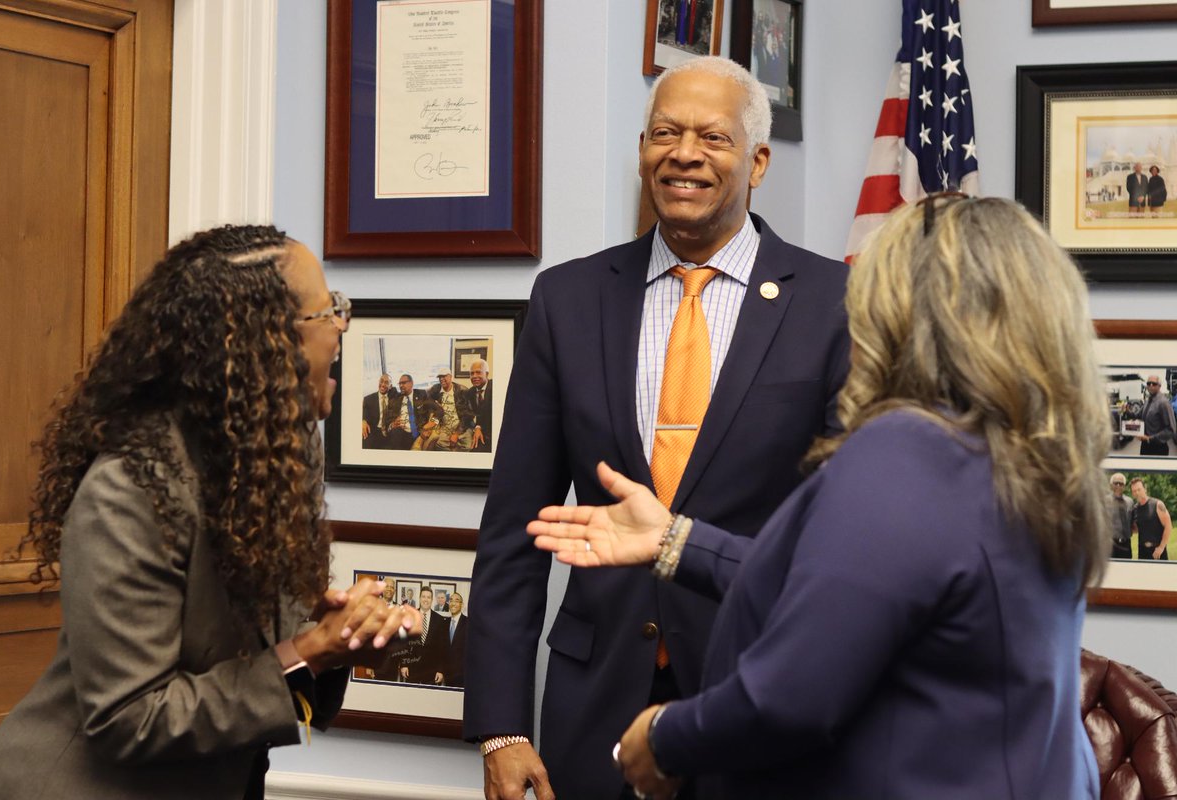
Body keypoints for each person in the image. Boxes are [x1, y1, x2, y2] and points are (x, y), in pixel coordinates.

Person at [529, 197, 1107, 799]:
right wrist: (678, 541)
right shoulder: (1026, 455)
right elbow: (857, 593)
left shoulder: (906, 450)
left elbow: (791, 696)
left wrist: (664, 737)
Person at [464, 55, 850, 800]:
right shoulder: (568, 299)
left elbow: (843, 538)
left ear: (759, 161)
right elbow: (515, 529)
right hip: (592, 709)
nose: (684, 154)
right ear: (642, 151)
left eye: (713, 137)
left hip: (756, 697)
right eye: (664, 133)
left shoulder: (835, 302)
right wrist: (503, 728)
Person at [0, 225, 421, 800]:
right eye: (328, 312)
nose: (341, 328)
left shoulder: (278, 453)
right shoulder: (130, 487)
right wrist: (308, 650)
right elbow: (127, 718)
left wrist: (340, 634)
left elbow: (251, 641)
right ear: (264, 340)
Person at [384, 374, 442, 450]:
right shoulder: (396, 399)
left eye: (403, 383)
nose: (401, 386)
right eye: (400, 384)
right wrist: (392, 425)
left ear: (411, 383)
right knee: (395, 433)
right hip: (401, 432)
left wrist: (432, 423)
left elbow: (439, 410)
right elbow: (388, 420)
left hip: (418, 432)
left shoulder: (422, 395)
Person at [1131, 478, 1171, 561]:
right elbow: (1137, 529)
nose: (1137, 493)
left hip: (1158, 552)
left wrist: (1161, 547)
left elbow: (1168, 526)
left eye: (1139, 489)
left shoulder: (1157, 504)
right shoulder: (1135, 509)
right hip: (1142, 553)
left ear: (1145, 489)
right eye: (1134, 491)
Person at [1135, 373, 1176, 456]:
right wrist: (1127, 411)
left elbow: (1171, 429)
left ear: (1159, 386)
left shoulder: (1163, 403)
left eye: (1154, 384)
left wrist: (1150, 439)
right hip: (1145, 446)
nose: (1150, 385)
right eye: (1148, 383)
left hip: (1158, 449)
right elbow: (1138, 415)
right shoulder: (1147, 401)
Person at [429, 369, 468, 451]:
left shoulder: (462, 390)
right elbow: (427, 401)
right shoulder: (436, 389)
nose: (441, 379)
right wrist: (436, 407)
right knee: (440, 445)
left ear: (450, 377)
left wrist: (457, 433)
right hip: (445, 427)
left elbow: (466, 415)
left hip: (461, 426)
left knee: (467, 446)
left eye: (444, 376)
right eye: (440, 377)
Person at [439, 592, 469, 688]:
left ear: (462, 605)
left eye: (457, 601)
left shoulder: (468, 623)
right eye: (451, 600)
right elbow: (442, 650)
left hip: (463, 675)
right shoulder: (444, 623)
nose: (453, 603)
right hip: (447, 675)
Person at [461, 359, 492, 452]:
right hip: (478, 432)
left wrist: (479, 428)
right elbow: (471, 415)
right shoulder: (469, 392)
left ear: (486, 374)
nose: (474, 376)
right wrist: (477, 428)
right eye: (472, 373)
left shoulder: (496, 388)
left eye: (478, 372)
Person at [362, 373, 394, 449]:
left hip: (390, 431)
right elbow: (364, 414)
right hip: (374, 431)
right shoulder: (368, 399)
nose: (382, 384)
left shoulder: (394, 397)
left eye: (386, 382)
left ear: (391, 386)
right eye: (381, 381)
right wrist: (363, 421)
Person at [1108, 472, 1134, 559]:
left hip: (1126, 544)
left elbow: (1132, 521)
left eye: (1121, 483)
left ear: (1124, 486)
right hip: (1110, 544)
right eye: (1116, 483)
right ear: (1111, 485)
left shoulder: (1130, 502)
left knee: (1127, 570)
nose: (1118, 485)